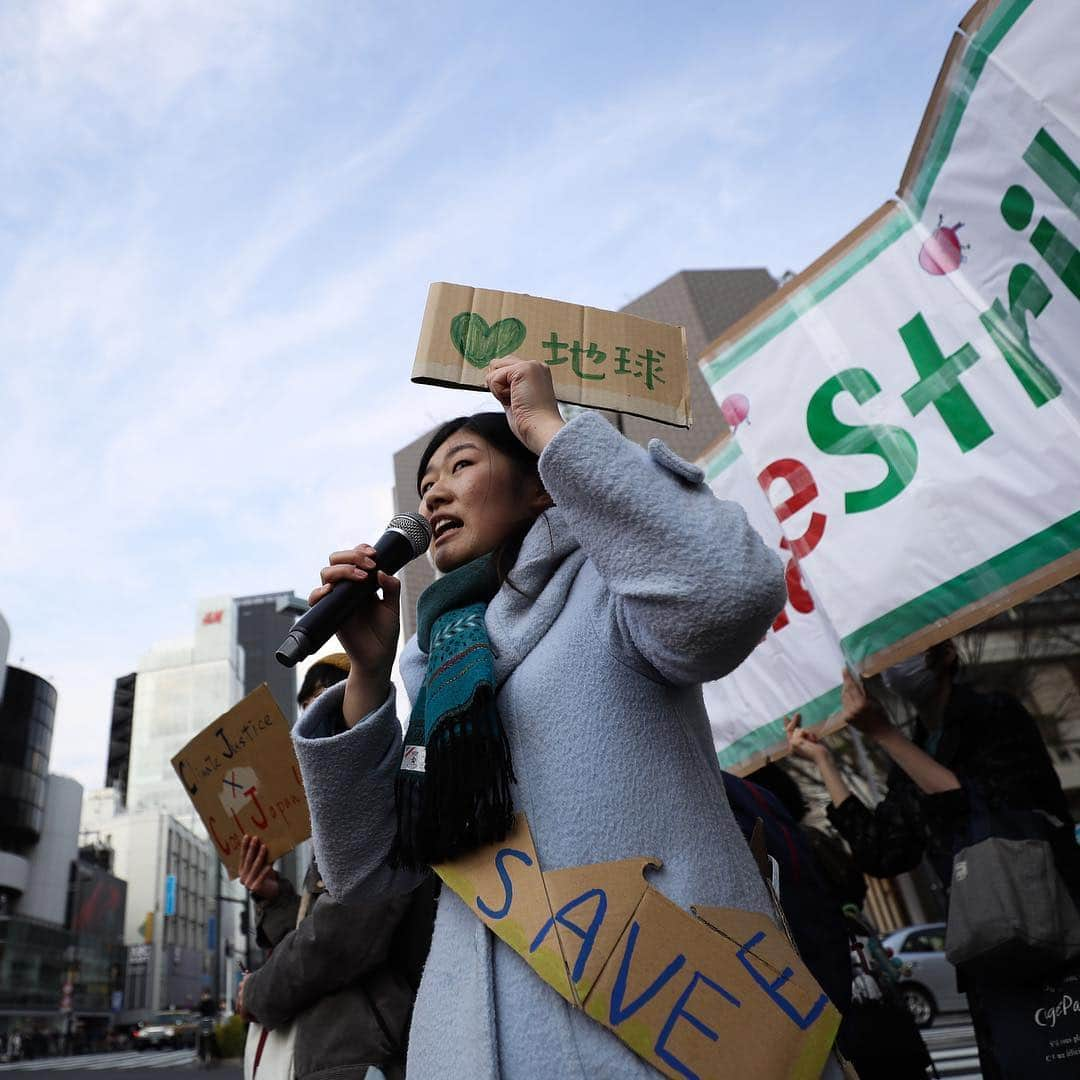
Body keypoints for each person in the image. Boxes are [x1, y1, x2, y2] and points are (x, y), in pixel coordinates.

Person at [289, 356, 796, 1078]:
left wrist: (553, 431)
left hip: (673, 1031)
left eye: (461, 465)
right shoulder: (434, 667)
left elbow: (731, 593)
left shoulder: (611, 589)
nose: (433, 491)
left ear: (537, 488)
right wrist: (368, 673)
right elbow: (368, 878)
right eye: (424, 483)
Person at [786, 641, 1080, 1079]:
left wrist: (882, 733)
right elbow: (883, 850)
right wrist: (824, 761)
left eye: (909, 650)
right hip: (988, 953)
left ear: (945, 655)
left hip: (1051, 930)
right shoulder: (914, 755)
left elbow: (979, 810)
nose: (894, 668)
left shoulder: (994, 714)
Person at [236, 656, 438, 1080]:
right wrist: (275, 899)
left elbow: (340, 938)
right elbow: (319, 929)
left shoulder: (388, 798)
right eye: (309, 710)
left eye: (332, 701)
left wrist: (257, 992)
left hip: (370, 1060)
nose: (319, 721)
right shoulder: (341, 812)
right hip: (343, 1057)